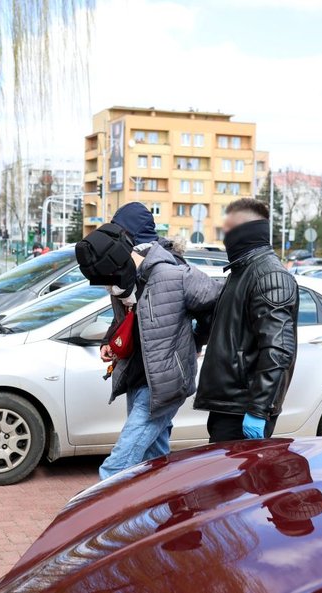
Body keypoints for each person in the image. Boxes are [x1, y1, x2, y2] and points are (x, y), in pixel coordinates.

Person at [75, 203, 221, 480]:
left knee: (120, 463)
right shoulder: (120, 269)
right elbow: (123, 317)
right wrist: (110, 340)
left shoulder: (172, 272)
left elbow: (216, 302)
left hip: (164, 382)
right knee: (154, 458)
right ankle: (160, 513)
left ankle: (97, 514)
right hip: (137, 374)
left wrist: (195, 341)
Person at [194, 198, 298, 442]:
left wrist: (259, 409)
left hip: (243, 407)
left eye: (229, 230)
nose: (225, 236)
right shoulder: (241, 272)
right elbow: (229, 326)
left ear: (245, 230)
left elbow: (278, 348)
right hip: (230, 405)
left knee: (239, 478)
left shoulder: (270, 276)